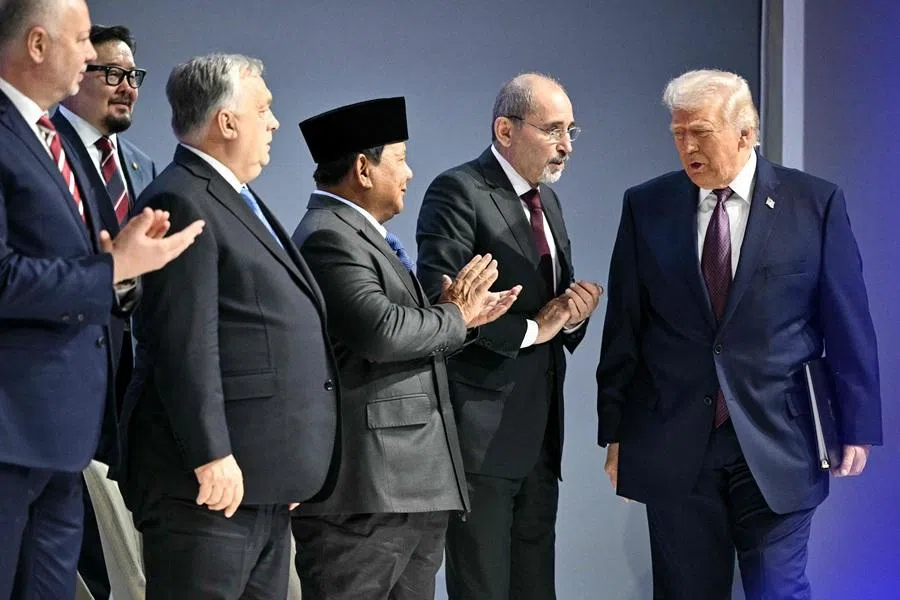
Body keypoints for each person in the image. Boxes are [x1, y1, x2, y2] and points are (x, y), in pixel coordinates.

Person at [596, 68, 882, 599]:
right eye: (678, 133)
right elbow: (625, 329)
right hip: (675, 439)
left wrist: (856, 422)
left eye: (699, 132)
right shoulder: (647, 206)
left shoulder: (814, 204)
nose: (686, 146)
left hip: (780, 438)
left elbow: (847, 321)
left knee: (778, 589)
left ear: (746, 133)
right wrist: (615, 432)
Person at [0, 1, 203, 597]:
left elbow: (85, 262)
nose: (92, 55)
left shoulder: (49, 139)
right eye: (84, 40)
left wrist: (123, 266)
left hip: (65, 435)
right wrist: (113, 267)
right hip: (10, 429)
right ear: (38, 44)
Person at [118, 54, 339, 599]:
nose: (274, 122)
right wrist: (210, 454)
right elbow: (181, 341)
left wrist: (285, 467)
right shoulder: (180, 197)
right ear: (227, 122)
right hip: (208, 489)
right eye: (263, 108)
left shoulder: (233, 196)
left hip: (258, 487)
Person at [290, 96, 521, 600]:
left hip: (406, 490)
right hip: (368, 495)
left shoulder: (361, 237)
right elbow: (381, 332)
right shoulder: (328, 237)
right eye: (400, 158)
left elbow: (409, 335)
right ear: (363, 168)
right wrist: (454, 316)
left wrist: (464, 320)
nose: (410, 173)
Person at [416, 73, 602, 599]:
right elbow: (446, 307)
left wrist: (574, 315)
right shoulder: (458, 191)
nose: (566, 145)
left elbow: (551, 307)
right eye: (553, 130)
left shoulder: (549, 203)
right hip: (482, 439)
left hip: (541, 433)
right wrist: (534, 328)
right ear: (505, 129)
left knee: (535, 586)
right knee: (484, 588)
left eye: (571, 131)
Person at [52, 24, 156, 597]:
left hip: (131, 375)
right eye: (111, 74)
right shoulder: (51, 153)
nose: (127, 87)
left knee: (124, 539)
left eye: (133, 76)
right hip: (70, 369)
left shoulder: (142, 167)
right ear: (76, 77)